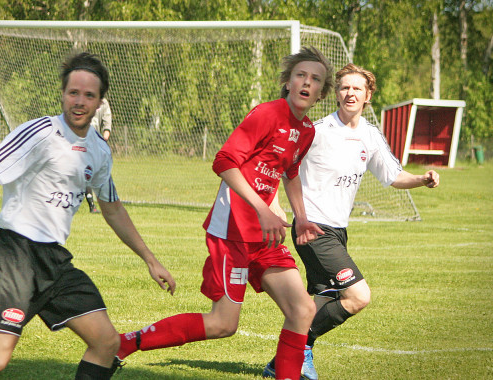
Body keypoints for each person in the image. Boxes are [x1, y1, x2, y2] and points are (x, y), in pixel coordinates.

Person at [0, 52, 176, 380]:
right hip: (15, 254)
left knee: (106, 341)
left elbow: (111, 206)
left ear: (100, 102)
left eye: (88, 95)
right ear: (63, 94)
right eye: (73, 92)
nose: (80, 101)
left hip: (54, 261)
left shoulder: (99, 149)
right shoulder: (41, 131)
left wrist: (150, 259)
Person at [116, 46, 334, 380]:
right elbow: (223, 162)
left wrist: (301, 217)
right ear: (288, 82)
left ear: (321, 92)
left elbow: (289, 173)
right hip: (232, 231)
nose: (307, 82)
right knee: (222, 324)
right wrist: (261, 208)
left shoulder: (307, 131)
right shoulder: (266, 113)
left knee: (302, 309)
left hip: (267, 233)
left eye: (315, 79)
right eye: (300, 75)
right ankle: (125, 343)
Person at [261, 63, 440, 380]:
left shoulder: (370, 135)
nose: (350, 93)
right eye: (344, 87)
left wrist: (422, 179)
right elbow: (279, 163)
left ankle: (282, 362)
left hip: (338, 231)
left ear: (368, 95)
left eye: (357, 88)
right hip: (311, 228)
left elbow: (393, 175)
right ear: (337, 93)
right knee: (358, 296)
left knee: (324, 298)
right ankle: (299, 349)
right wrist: (273, 205)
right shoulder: (317, 131)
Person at [86, 98, 113, 213]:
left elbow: (107, 125)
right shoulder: (83, 96)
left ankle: (93, 204)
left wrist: (103, 139)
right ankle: (92, 205)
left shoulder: (103, 103)